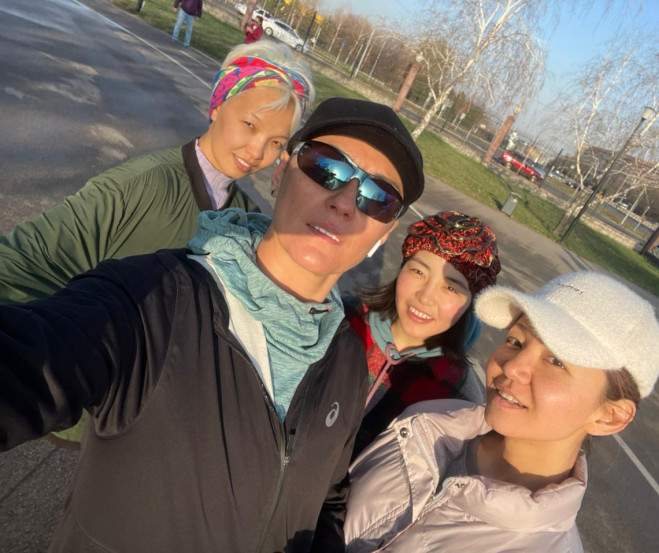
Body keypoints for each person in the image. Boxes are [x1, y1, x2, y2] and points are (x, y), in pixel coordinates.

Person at [0, 97, 424, 552]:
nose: (344, 202)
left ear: (383, 233)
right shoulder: (153, 299)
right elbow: (30, 360)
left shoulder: (347, 357)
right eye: (327, 168)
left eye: (378, 197)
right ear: (282, 172)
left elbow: (328, 498)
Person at [0, 42, 312, 445]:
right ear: (217, 106)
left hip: (132, 428)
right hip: (82, 407)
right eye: (250, 125)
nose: (258, 152)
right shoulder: (143, 185)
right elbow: (24, 258)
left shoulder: (244, 216)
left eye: (276, 143)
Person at [344, 271, 659, 552]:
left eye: (556, 361)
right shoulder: (426, 424)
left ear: (609, 416)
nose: (512, 367)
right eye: (515, 341)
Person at [344, 210, 500, 456]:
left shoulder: (459, 398)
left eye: (451, 287)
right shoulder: (344, 318)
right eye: (418, 272)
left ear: (470, 304)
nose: (425, 297)